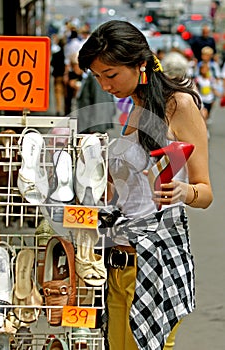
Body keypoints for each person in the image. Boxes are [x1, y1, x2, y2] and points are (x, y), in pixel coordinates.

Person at [78, 20, 213, 350]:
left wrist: (184, 192)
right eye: (97, 77)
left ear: (140, 64)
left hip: (156, 262)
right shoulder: (136, 107)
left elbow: (205, 191)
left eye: (110, 74)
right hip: (117, 262)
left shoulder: (178, 105)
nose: (105, 85)